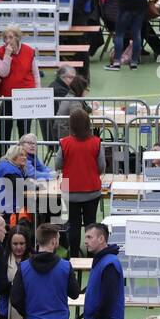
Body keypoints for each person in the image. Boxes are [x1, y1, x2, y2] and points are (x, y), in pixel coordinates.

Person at [10, 223, 79, 319]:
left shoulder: (24, 267)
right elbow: (74, 294)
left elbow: (15, 298)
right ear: (53, 242)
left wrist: (28, 313)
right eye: (58, 238)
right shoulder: (65, 266)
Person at [53, 108, 105, 258]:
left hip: (71, 191)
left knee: (73, 225)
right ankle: (92, 255)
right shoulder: (96, 142)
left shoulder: (65, 143)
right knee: (91, 224)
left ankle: (74, 255)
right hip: (92, 190)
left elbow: (58, 164)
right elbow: (101, 166)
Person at [79, 222, 124, 319]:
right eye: (85, 237)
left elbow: (109, 298)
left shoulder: (109, 263)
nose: (85, 241)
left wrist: (97, 318)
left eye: (89, 237)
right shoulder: (103, 260)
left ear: (101, 239)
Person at [0, 26, 40, 140]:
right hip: (7, 97)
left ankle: (25, 155)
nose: (8, 40)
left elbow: (35, 73)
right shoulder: (0, 52)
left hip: (25, 96)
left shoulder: (29, 51)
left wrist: (38, 92)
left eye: (11, 37)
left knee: (24, 130)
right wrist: (7, 55)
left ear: (18, 38)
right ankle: (4, 156)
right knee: (5, 130)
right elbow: (2, 73)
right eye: (5, 38)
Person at [0, 223, 31, 319]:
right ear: (9, 244)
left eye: (22, 244)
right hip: (5, 312)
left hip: (28, 313)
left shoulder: (33, 259)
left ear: (27, 243)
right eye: (15, 244)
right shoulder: (3, 259)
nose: (18, 247)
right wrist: (18, 287)